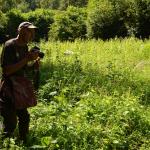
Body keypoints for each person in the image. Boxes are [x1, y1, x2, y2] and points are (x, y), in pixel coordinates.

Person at [0, 21, 40, 143]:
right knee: (10, 122)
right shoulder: (9, 45)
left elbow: (21, 68)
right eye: (29, 31)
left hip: (19, 88)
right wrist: (27, 59)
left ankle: (24, 142)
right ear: (21, 31)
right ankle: (5, 143)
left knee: (24, 117)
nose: (31, 34)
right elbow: (7, 70)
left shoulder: (24, 47)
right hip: (8, 88)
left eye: (32, 31)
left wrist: (32, 66)